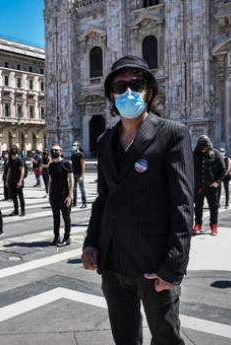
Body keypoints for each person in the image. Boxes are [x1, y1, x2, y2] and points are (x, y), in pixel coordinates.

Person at [82, 55, 193, 345]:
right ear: (110, 94)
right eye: (120, 86)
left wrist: (174, 266)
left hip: (154, 262)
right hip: (113, 262)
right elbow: (102, 199)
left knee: (166, 337)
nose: (128, 92)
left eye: (137, 84)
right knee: (125, 337)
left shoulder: (172, 133)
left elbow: (182, 204)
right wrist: (91, 243)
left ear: (149, 90)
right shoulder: (105, 141)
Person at [192, 135, 226, 235]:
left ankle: (213, 226)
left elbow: (223, 170)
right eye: (201, 147)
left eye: (205, 147)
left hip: (212, 186)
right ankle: (198, 224)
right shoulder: (194, 154)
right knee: (198, 206)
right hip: (198, 186)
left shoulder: (216, 153)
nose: (203, 149)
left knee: (213, 207)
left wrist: (217, 182)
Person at [48, 144, 74, 246]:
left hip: (64, 195)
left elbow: (71, 179)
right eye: (53, 150)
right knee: (56, 217)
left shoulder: (66, 163)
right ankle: (56, 237)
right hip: (54, 195)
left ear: (61, 151)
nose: (54, 152)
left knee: (66, 217)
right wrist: (49, 194)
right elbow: (50, 180)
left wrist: (70, 195)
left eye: (56, 150)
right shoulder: (51, 165)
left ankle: (66, 238)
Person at [6, 145, 25, 217]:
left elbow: (22, 171)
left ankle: (23, 211)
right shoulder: (11, 159)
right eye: (12, 149)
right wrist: (7, 180)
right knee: (14, 197)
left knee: (20, 197)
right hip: (12, 181)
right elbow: (9, 170)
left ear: (17, 150)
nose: (13, 150)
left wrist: (20, 181)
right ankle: (16, 210)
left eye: (15, 149)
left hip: (18, 181)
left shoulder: (19, 159)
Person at [71, 142, 87, 208]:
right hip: (74, 173)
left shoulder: (81, 154)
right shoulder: (73, 155)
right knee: (74, 189)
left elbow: (83, 165)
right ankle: (74, 202)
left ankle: (84, 203)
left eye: (75, 145)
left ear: (78, 146)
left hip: (79, 174)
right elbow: (72, 165)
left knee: (82, 188)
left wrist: (82, 176)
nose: (73, 146)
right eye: (73, 145)